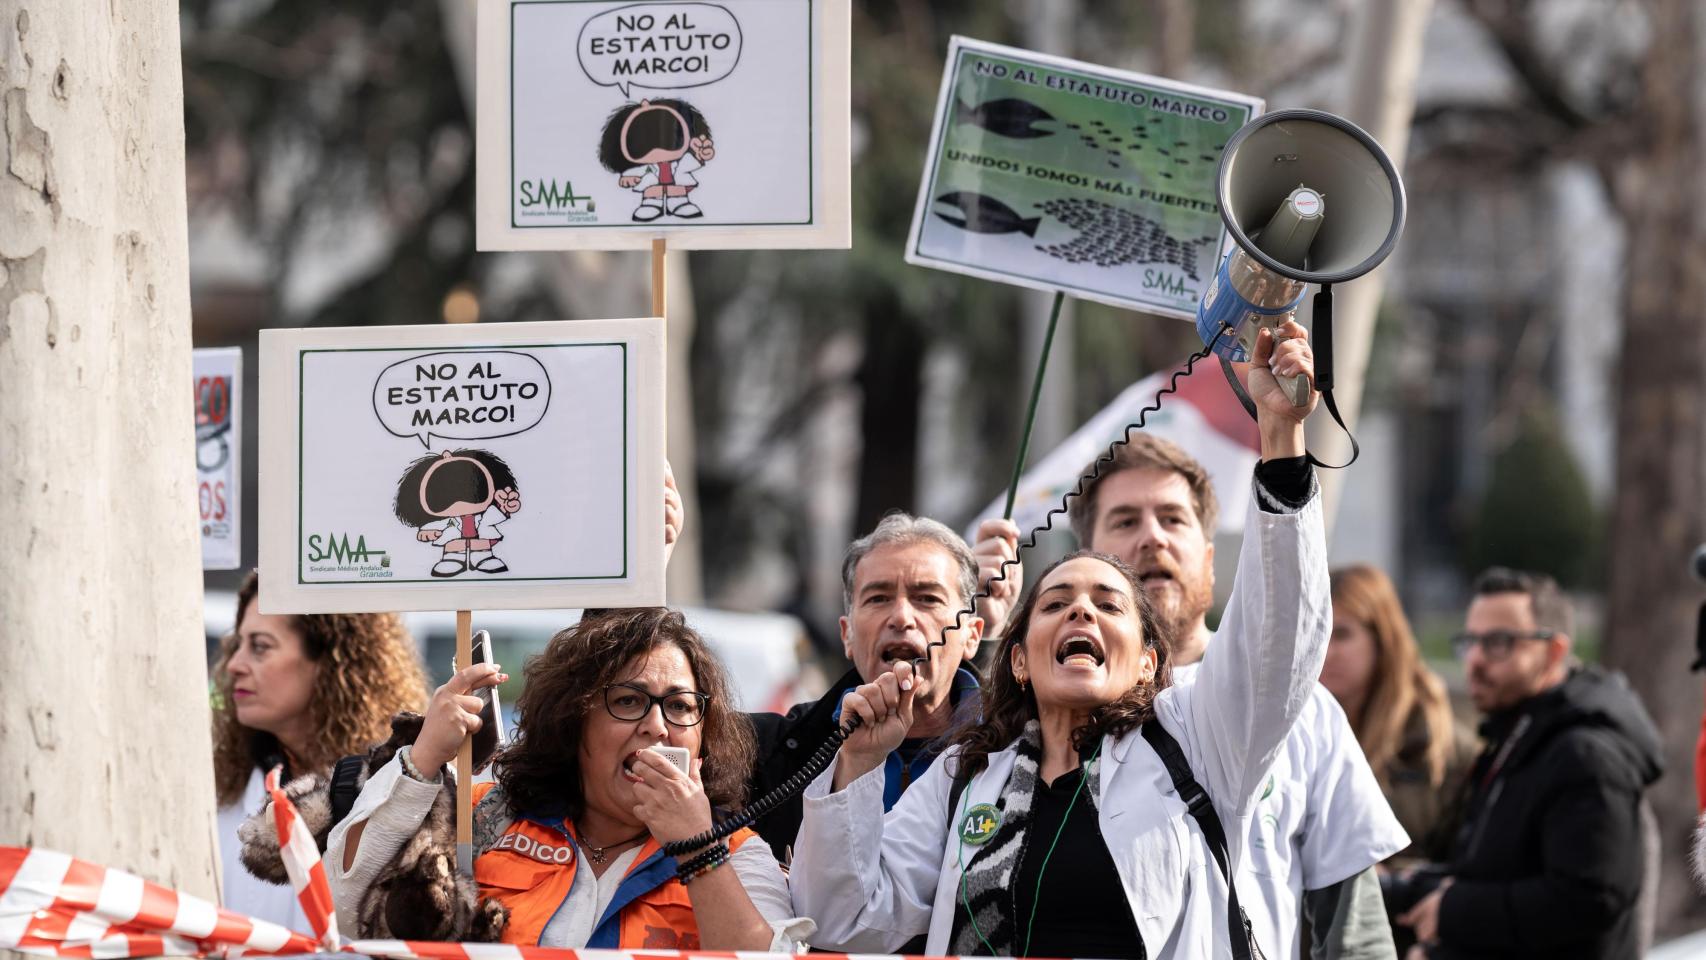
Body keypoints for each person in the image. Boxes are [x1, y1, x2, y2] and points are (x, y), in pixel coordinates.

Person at [792, 324, 1332, 958]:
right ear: (1018, 658)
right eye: (1055, 603)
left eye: (1108, 605)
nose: (1081, 612)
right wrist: (856, 766)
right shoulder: (964, 773)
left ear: (1147, 662)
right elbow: (845, 920)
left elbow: (1276, 640)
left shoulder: (1197, 740)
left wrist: (1282, 439)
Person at [973, 390, 1407, 954]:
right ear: (1085, 559)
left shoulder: (1304, 710)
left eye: (1172, 519)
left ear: (1206, 557)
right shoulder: (1049, 715)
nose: (1152, 537)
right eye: (1125, 520)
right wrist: (981, 633)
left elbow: (1353, 925)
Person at [325, 607, 810, 951]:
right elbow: (347, 907)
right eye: (628, 701)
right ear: (573, 723)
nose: (657, 726)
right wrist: (426, 756)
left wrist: (698, 850)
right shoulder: (488, 817)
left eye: (681, 706)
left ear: (703, 739)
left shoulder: (740, 853)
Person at [1391, 567, 1662, 959]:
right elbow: (1495, 873)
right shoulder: (1517, 738)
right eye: (1470, 641)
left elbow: (1587, 899)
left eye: (1499, 643)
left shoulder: (1585, 755)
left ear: (1554, 651)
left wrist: (1453, 912)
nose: (1476, 660)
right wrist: (1406, 888)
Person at [747, 513, 983, 861]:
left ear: (972, 635)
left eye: (927, 598)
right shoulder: (772, 753)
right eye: (878, 599)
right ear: (847, 635)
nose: (902, 617)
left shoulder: (1016, 744)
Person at [211, 572, 431, 928]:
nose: (235, 664)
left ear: (331, 663)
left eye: (260, 646)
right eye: (238, 644)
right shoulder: (222, 788)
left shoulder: (393, 791)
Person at [1325, 565, 1477, 865]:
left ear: (1383, 641)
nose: (1326, 650)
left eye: (1342, 634)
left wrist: (1387, 878)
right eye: (1317, 631)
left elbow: (1467, 869)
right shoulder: (1288, 731)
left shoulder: (1439, 744)